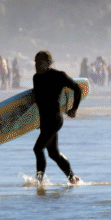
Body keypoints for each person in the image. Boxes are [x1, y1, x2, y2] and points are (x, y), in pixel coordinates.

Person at [32, 50, 82, 185]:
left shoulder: (59, 76)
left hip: (54, 120)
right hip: (44, 121)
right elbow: (39, 101)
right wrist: (34, 121)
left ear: (48, 63)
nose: (36, 65)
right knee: (53, 153)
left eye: (39, 62)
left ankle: (39, 182)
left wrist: (74, 109)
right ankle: (72, 177)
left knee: (38, 148)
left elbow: (77, 89)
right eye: (35, 62)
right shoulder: (36, 78)